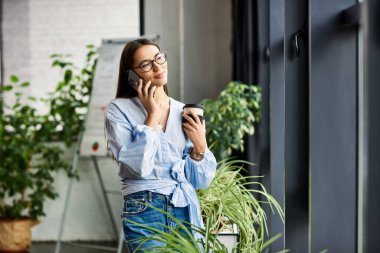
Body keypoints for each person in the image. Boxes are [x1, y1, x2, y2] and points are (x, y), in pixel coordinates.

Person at [104, 38, 217, 252]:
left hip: (184, 207)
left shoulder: (184, 111)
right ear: (132, 75)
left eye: (159, 58)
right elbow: (138, 168)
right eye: (146, 64)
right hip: (144, 209)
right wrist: (152, 115)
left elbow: (201, 181)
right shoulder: (118, 110)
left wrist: (200, 149)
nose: (157, 66)